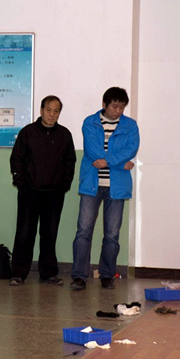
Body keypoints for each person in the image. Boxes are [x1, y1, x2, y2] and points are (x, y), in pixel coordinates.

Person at [70, 87, 139, 291]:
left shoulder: (130, 125)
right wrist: (120, 162)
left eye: (122, 107)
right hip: (92, 184)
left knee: (112, 234)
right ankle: (79, 276)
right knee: (84, 231)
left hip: (117, 187)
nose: (118, 111)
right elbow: (93, 152)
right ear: (104, 104)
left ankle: (107, 275)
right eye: (114, 106)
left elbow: (131, 149)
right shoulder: (90, 122)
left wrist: (108, 161)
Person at [9, 95, 76, 286]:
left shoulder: (64, 135)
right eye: (48, 110)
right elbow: (16, 159)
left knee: (50, 233)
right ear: (41, 110)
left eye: (56, 111)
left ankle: (48, 273)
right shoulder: (28, 132)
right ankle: (18, 273)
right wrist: (21, 182)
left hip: (54, 193)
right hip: (29, 192)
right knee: (24, 232)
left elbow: (70, 162)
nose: (52, 114)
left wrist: (64, 185)